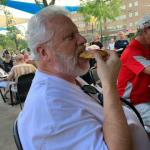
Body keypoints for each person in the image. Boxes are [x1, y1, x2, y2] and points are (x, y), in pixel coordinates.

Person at [17, 6, 150, 150]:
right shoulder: (50, 108)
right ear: (44, 52)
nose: (83, 40)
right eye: (70, 36)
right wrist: (109, 84)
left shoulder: (67, 77)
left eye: (78, 33)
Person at [117, 15, 150, 137]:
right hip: (131, 103)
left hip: (145, 99)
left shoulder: (147, 47)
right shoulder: (131, 51)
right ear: (146, 30)